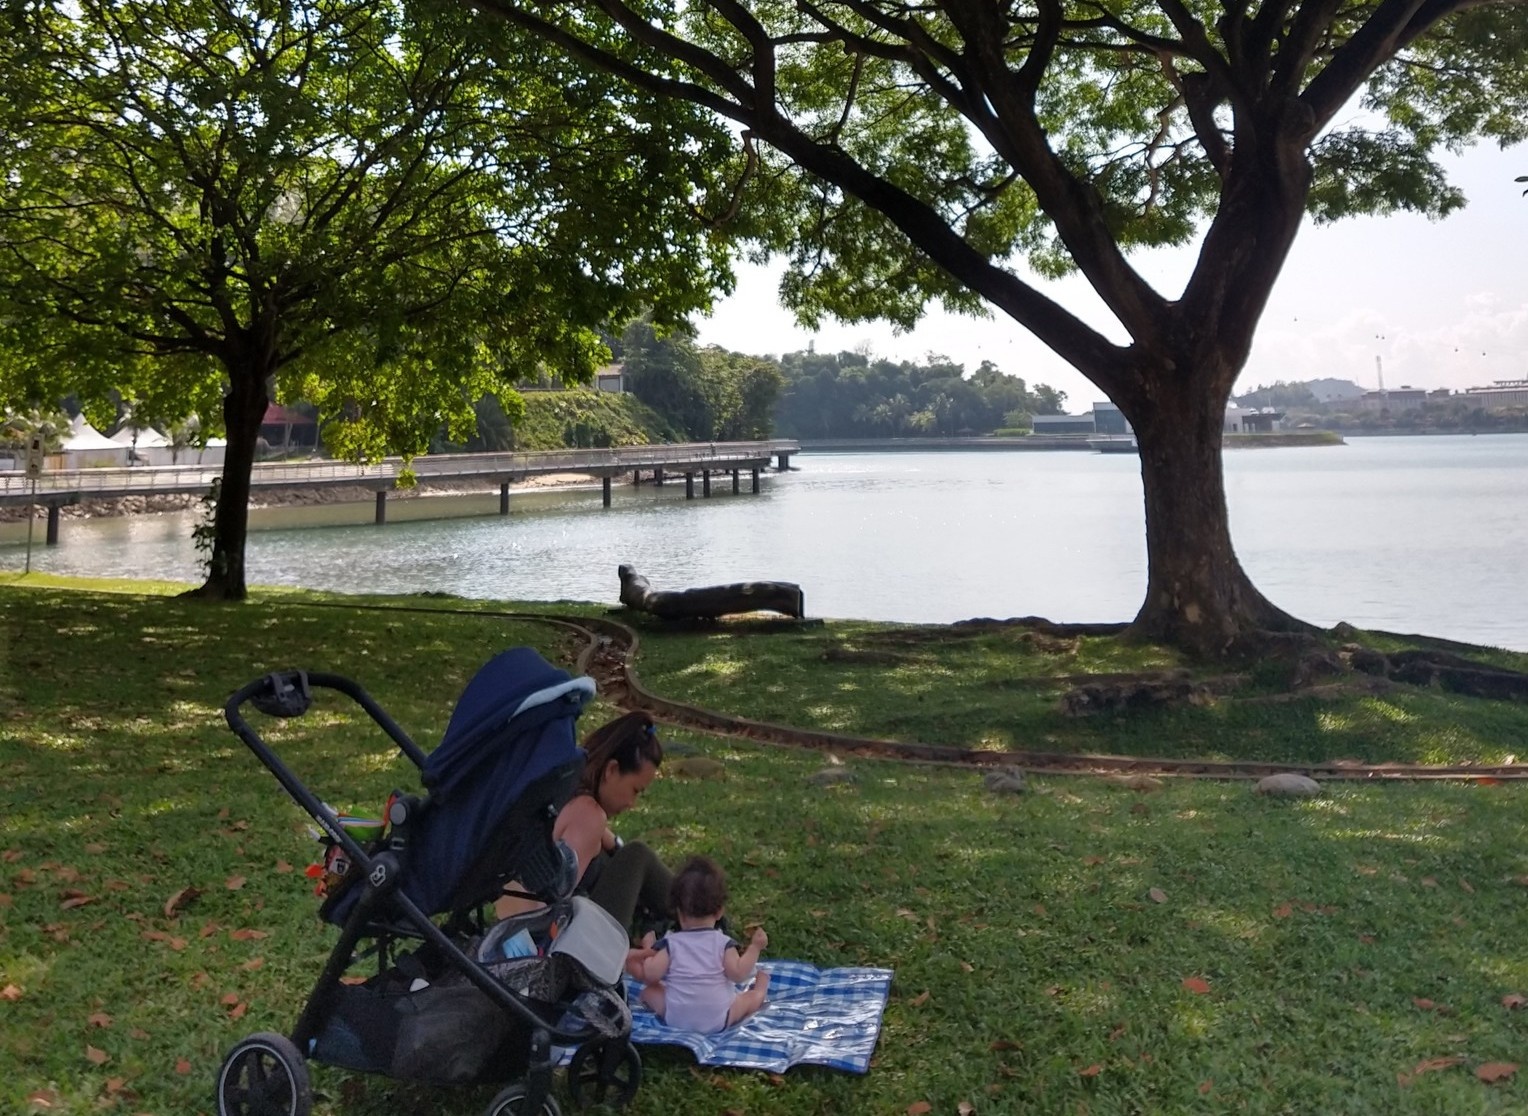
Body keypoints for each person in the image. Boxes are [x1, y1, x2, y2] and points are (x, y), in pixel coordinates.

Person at [497, 710, 672, 949]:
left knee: (617, 855)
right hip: (555, 946)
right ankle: (703, 909)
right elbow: (551, 906)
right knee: (637, 854)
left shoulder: (562, 792)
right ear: (611, 770)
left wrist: (611, 841)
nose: (633, 804)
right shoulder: (589, 815)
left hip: (517, 928)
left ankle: (696, 909)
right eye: (635, 790)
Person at [636, 855, 770, 1032]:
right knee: (746, 1001)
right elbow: (738, 974)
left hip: (676, 1018)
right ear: (719, 912)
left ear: (679, 913)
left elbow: (651, 975)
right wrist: (754, 948)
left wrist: (648, 949)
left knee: (649, 992)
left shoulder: (670, 944)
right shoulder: (723, 944)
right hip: (719, 1019)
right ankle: (760, 990)